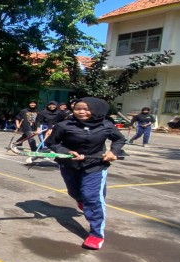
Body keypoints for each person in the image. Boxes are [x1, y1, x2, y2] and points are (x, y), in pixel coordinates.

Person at [44, 97, 125, 250]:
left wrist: (113, 151)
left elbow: (119, 140)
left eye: (86, 109)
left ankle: (96, 234)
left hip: (95, 165)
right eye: (78, 109)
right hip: (69, 165)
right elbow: (51, 143)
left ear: (96, 110)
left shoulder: (107, 125)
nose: (81, 112)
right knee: (74, 192)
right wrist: (66, 151)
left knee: (92, 197)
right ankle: (82, 199)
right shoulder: (63, 125)